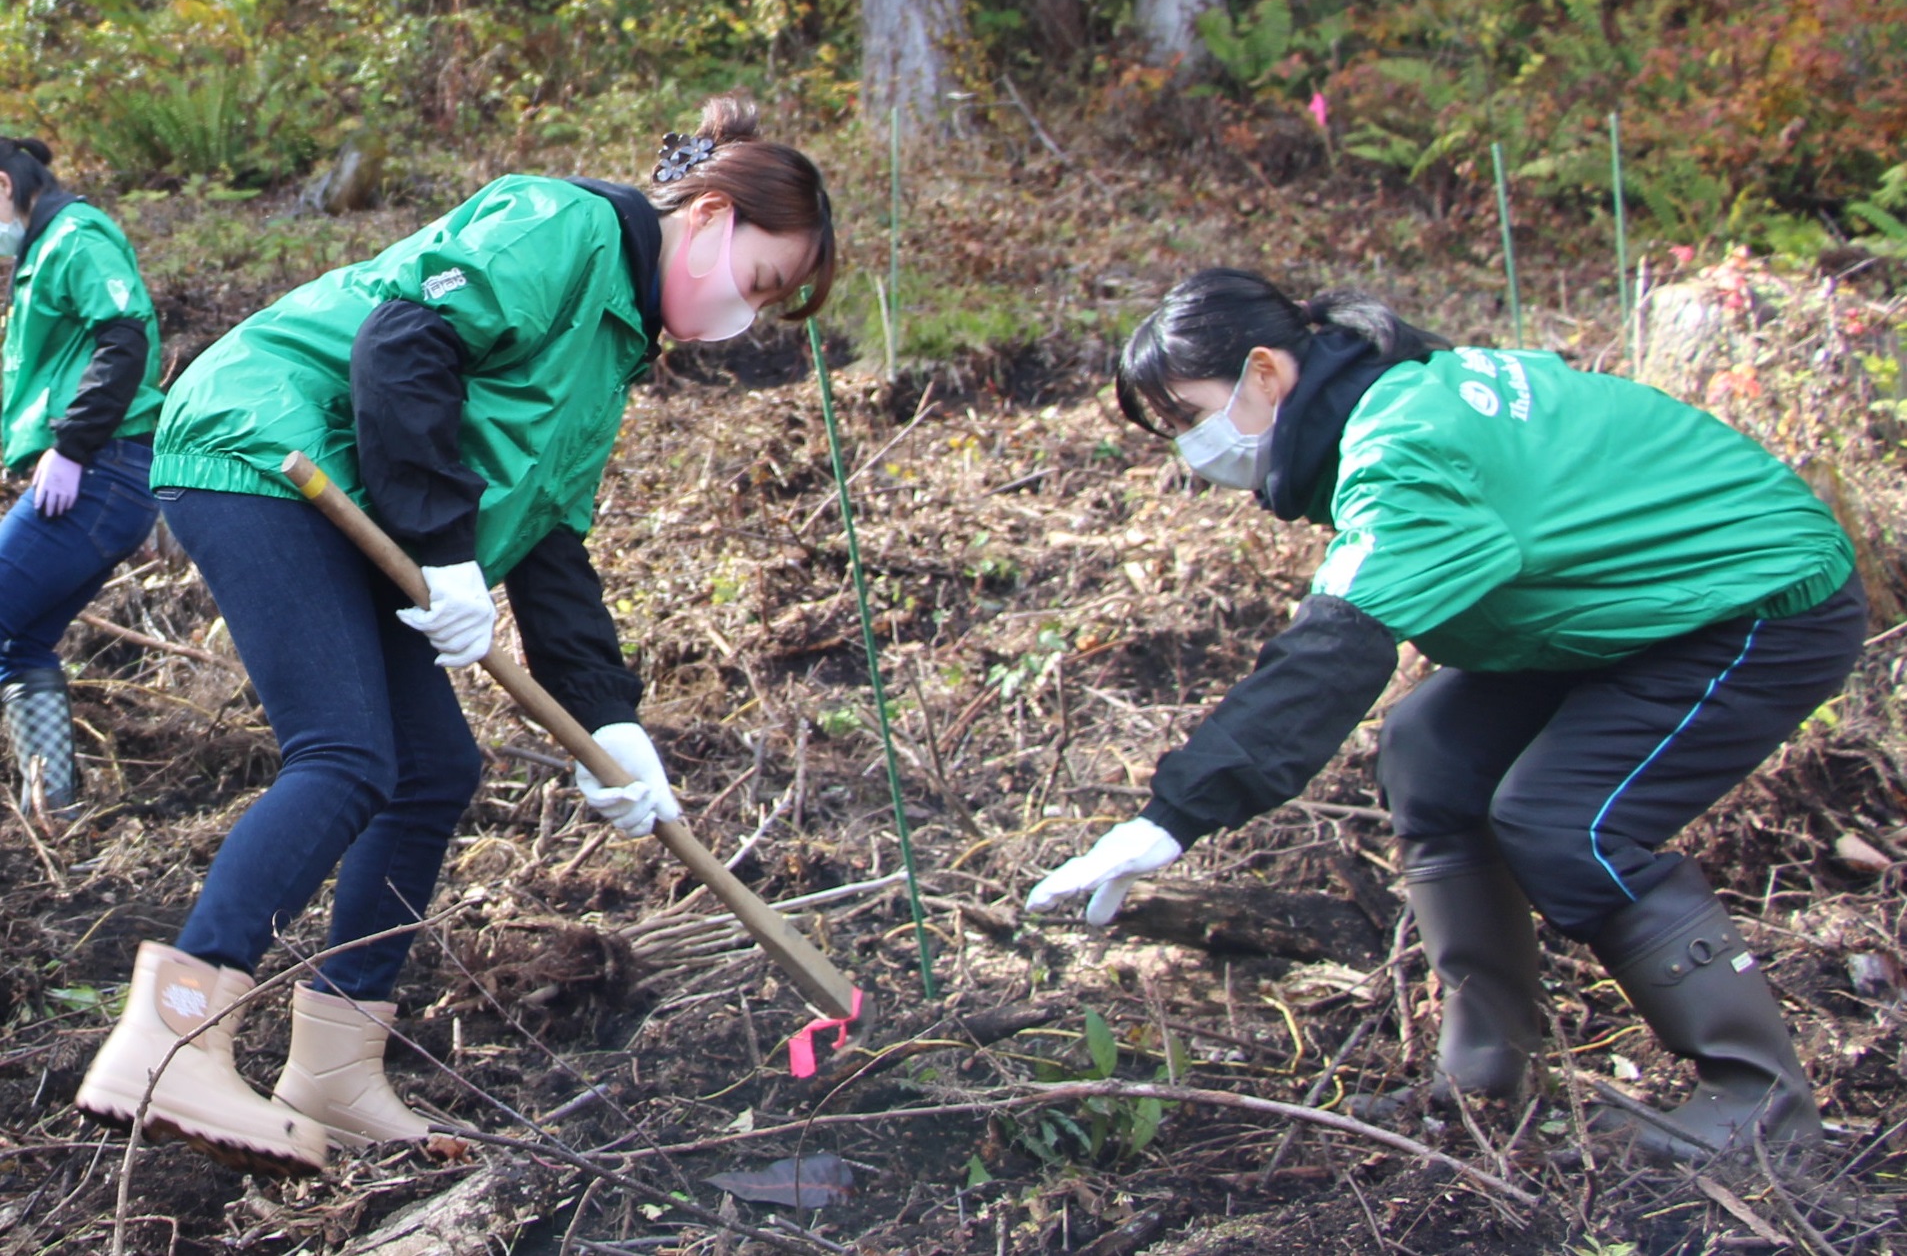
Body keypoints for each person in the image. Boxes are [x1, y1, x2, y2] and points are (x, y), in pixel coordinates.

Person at [76, 95, 836, 1176]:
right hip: (264, 442)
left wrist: (614, 725)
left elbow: (550, 538)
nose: (742, 318)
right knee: (345, 754)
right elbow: (403, 344)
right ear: (709, 214)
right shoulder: (559, 226)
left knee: (435, 766)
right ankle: (169, 1037)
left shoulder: (614, 346)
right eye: (756, 284)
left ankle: (335, 1068)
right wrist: (440, 545)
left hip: (358, 493)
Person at [1026, 268, 1866, 1161]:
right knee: (1428, 748)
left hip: (1756, 602)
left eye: (1189, 416)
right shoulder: (1395, 398)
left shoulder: (1404, 447)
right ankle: (1490, 1071)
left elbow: (1333, 648)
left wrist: (1173, 815)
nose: (1191, 449)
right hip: (1626, 604)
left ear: (1264, 372)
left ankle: (1759, 1105)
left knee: (1562, 822)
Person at [0, 135, 164, 819]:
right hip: (94, 476)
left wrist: (71, 444)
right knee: (20, 641)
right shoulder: (41, 251)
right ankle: (55, 809)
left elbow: (126, 332)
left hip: (101, 471)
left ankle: (54, 805)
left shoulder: (77, 234)